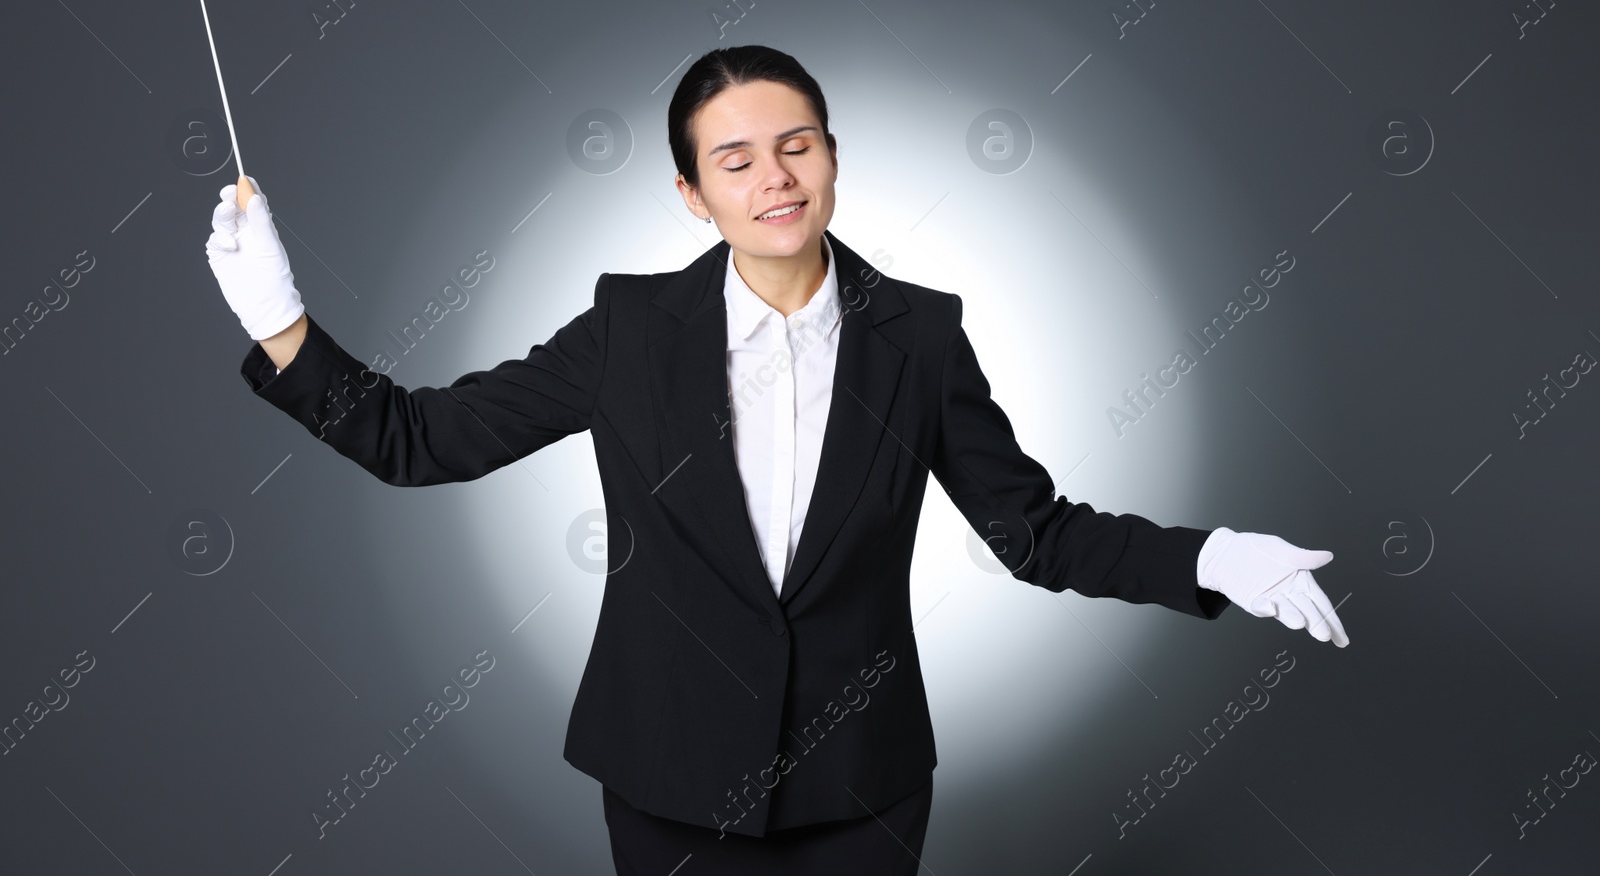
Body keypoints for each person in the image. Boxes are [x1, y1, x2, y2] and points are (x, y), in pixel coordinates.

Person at [206, 44, 1349, 874]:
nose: (775, 177)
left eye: (796, 146)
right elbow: (425, 440)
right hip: (666, 779)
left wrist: (1214, 559)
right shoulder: (625, 329)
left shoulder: (922, 334)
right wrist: (282, 325)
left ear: (834, 159)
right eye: (737, 159)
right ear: (692, 195)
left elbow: (1032, 531)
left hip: (863, 784)